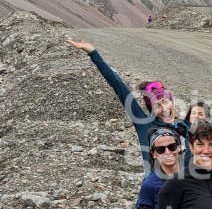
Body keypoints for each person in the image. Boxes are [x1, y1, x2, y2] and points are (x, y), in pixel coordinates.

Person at [65, 39, 189, 173]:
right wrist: (93, 53)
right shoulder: (144, 124)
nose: (164, 109)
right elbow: (119, 86)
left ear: (172, 101)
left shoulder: (186, 126)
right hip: (157, 189)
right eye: (157, 105)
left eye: (165, 101)